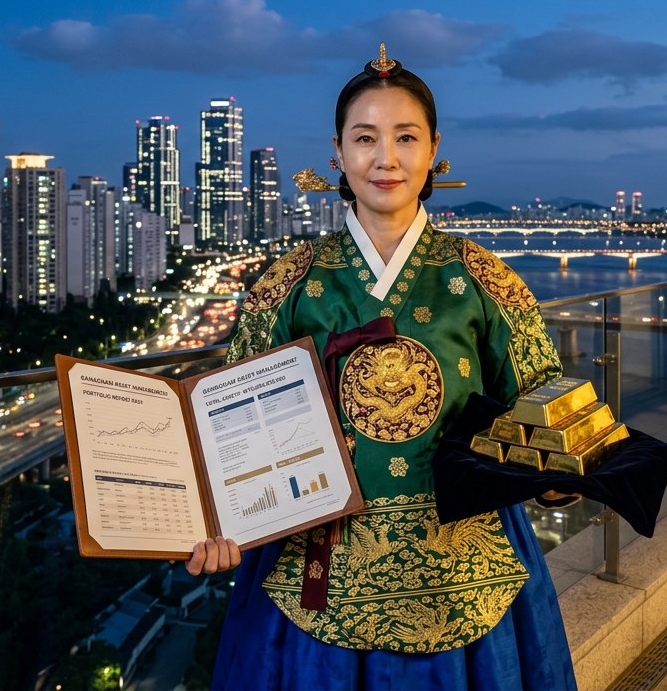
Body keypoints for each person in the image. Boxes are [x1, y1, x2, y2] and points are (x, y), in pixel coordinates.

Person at [189, 45, 579, 690]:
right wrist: (214, 518)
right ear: (337, 154)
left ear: (433, 152)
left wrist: (562, 474)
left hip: (462, 558)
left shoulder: (483, 277)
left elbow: (541, 397)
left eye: (405, 137)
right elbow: (233, 431)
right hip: (317, 561)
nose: (386, 158)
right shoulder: (288, 282)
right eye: (365, 138)